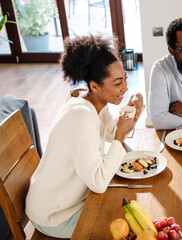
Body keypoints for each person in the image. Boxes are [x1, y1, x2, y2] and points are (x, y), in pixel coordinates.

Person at [25, 35, 143, 238]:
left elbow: (110, 131)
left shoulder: (91, 100)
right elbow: (98, 182)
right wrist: (120, 136)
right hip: (54, 215)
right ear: (95, 86)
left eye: (125, 78)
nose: (125, 87)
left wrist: (134, 109)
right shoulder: (81, 114)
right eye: (117, 83)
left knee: (130, 207)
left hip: (69, 199)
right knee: (127, 223)